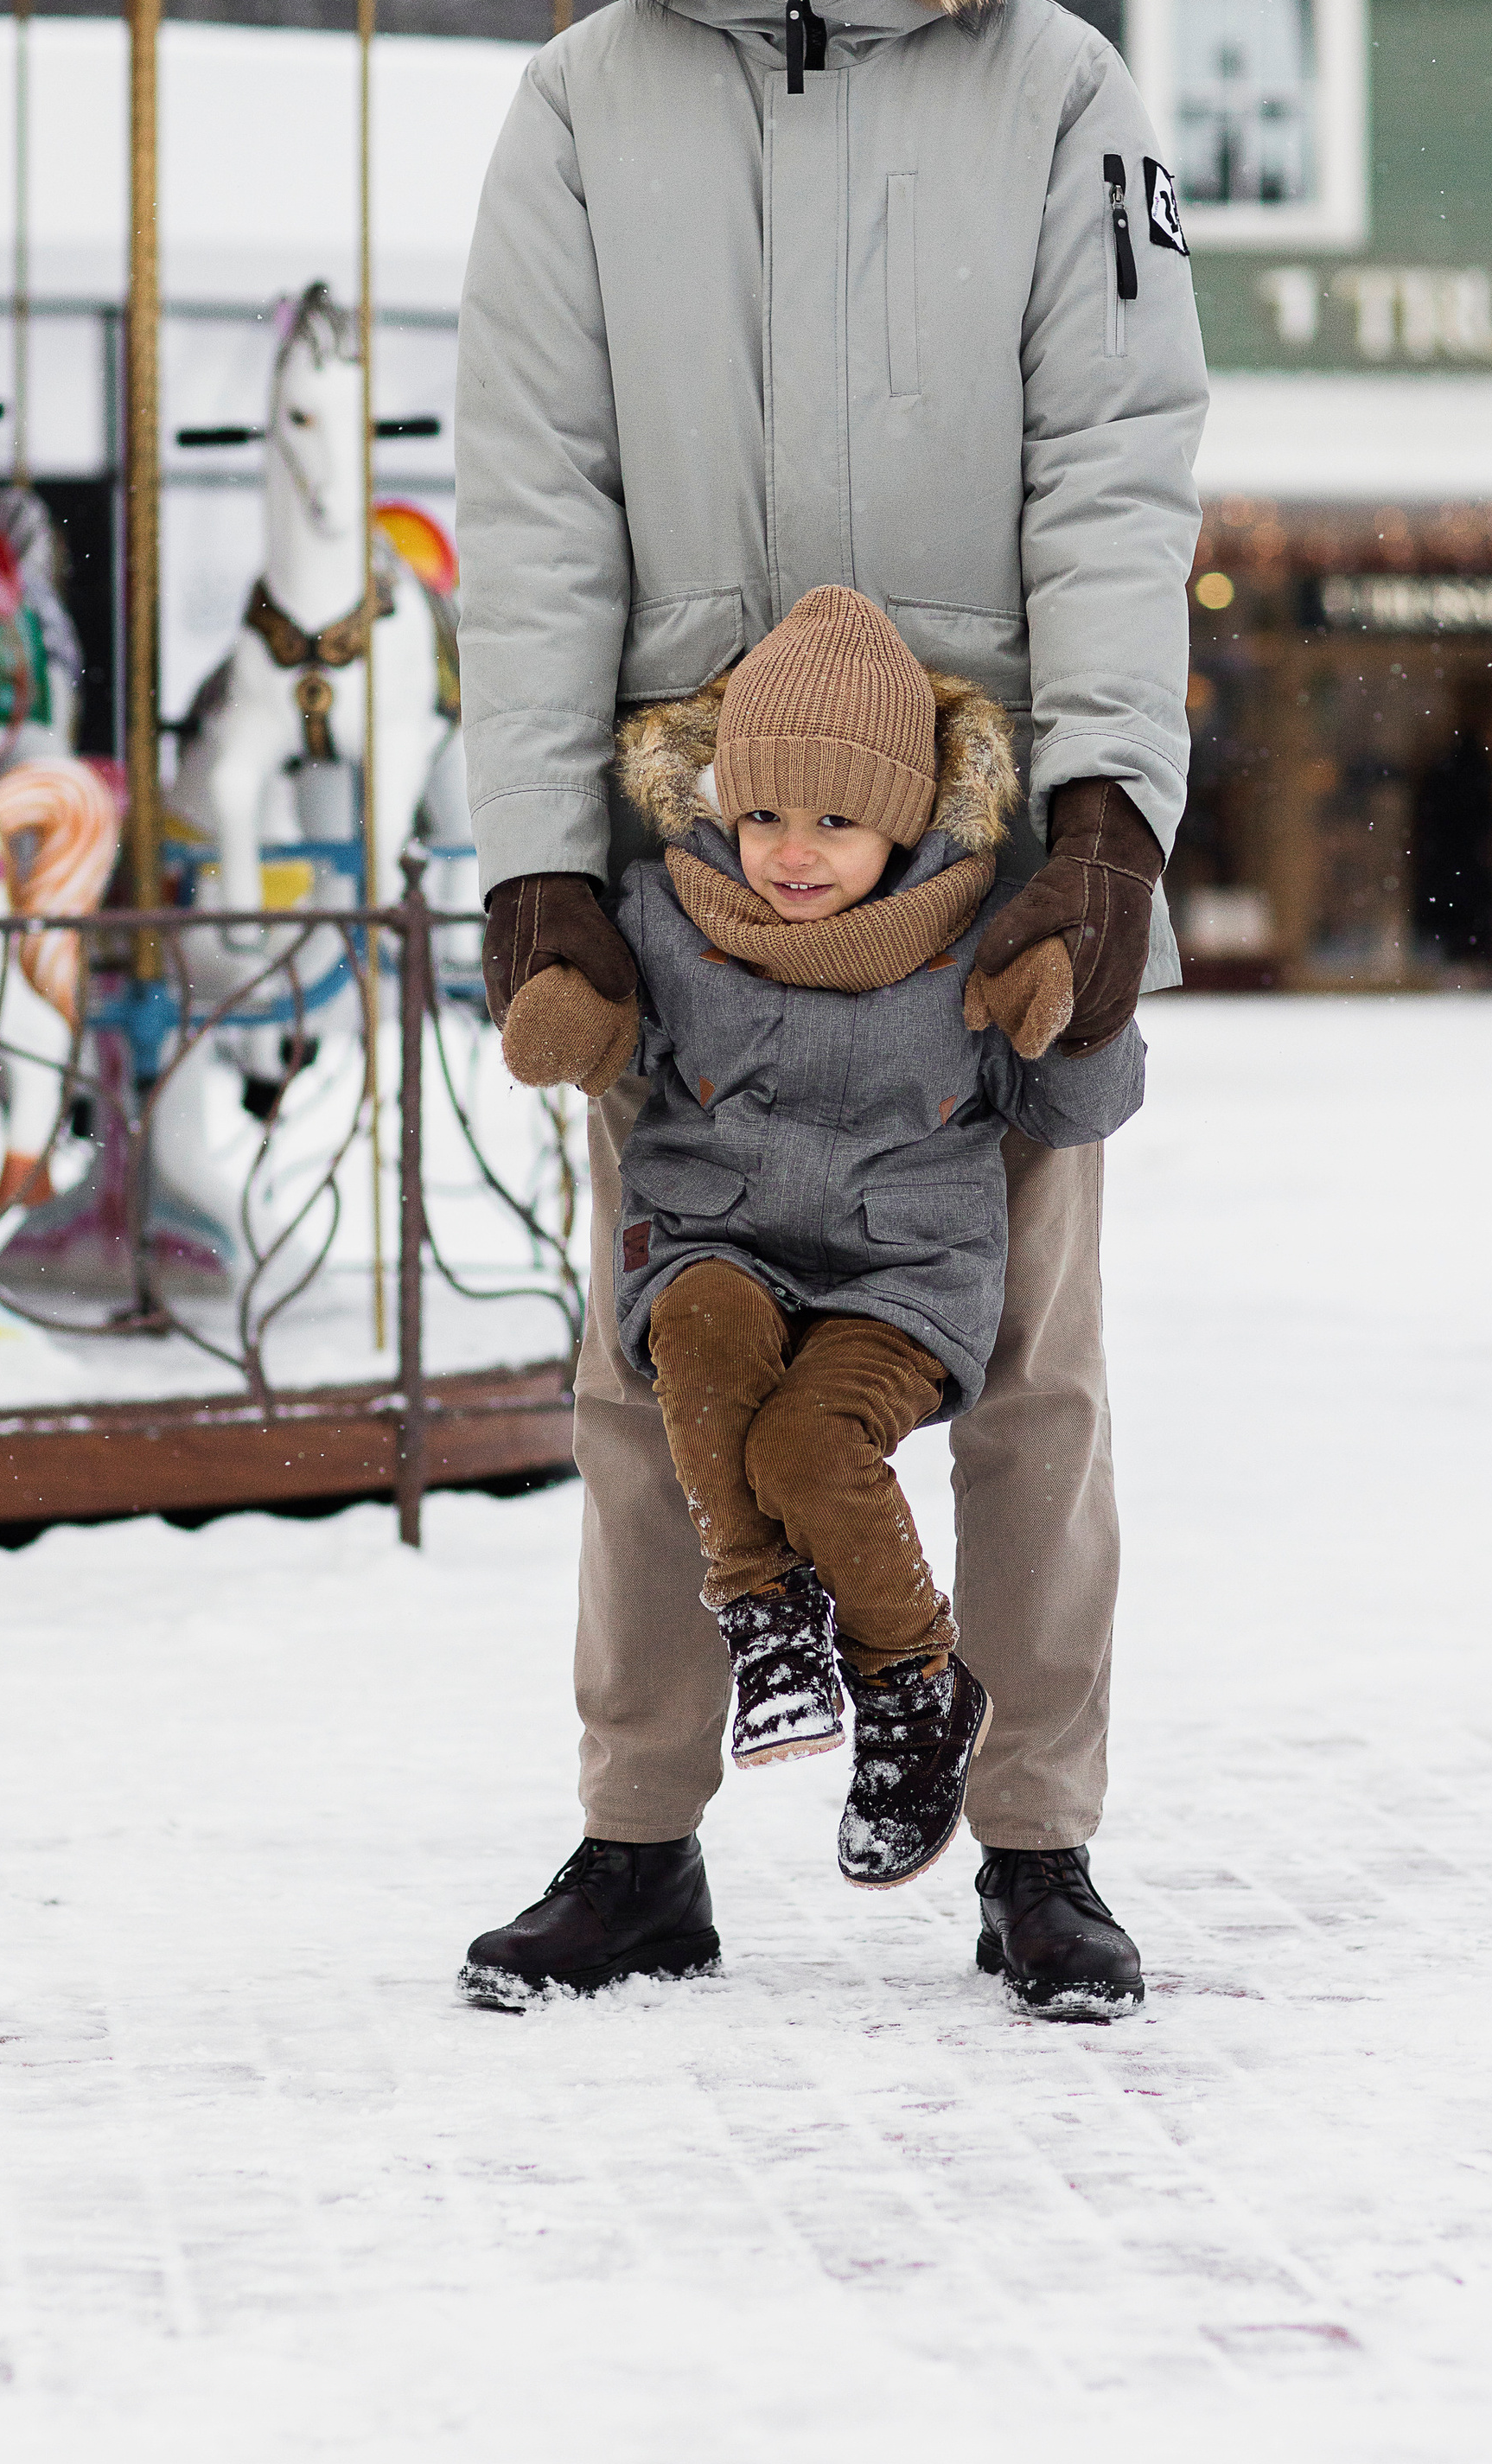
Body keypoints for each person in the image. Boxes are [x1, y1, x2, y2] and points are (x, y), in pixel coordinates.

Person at [454, 0, 1208, 2017]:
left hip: (990, 835)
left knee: (1032, 1371)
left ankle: (1039, 1847)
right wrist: (541, 860)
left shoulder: (1056, 88)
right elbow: (536, 495)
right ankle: (639, 1834)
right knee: (651, 1349)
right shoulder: (581, 106)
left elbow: (1117, 465)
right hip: (689, 849)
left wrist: (1108, 809)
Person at [462, 590, 1145, 2008]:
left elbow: (1072, 1102)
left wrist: (1083, 1010)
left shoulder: (973, 939)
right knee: (687, 1344)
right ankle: (760, 1626)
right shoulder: (668, 909)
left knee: (819, 1448)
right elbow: (594, 1030)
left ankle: (919, 1692)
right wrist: (557, 998)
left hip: (901, 1275)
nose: (790, 854)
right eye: (764, 817)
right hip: (722, 1240)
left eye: (837, 824)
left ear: (903, 823)